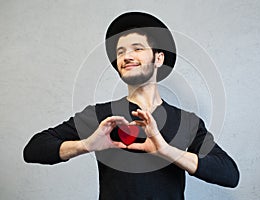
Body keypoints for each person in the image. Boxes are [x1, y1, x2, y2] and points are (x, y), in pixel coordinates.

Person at [23, 12, 239, 199]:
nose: (126, 56)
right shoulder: (101, 116)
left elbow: (229, 173)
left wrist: (166, 151)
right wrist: (86, 145)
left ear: (159, 58)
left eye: (137, 49)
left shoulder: (187, 122)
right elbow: (33, 149)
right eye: (120, 52)